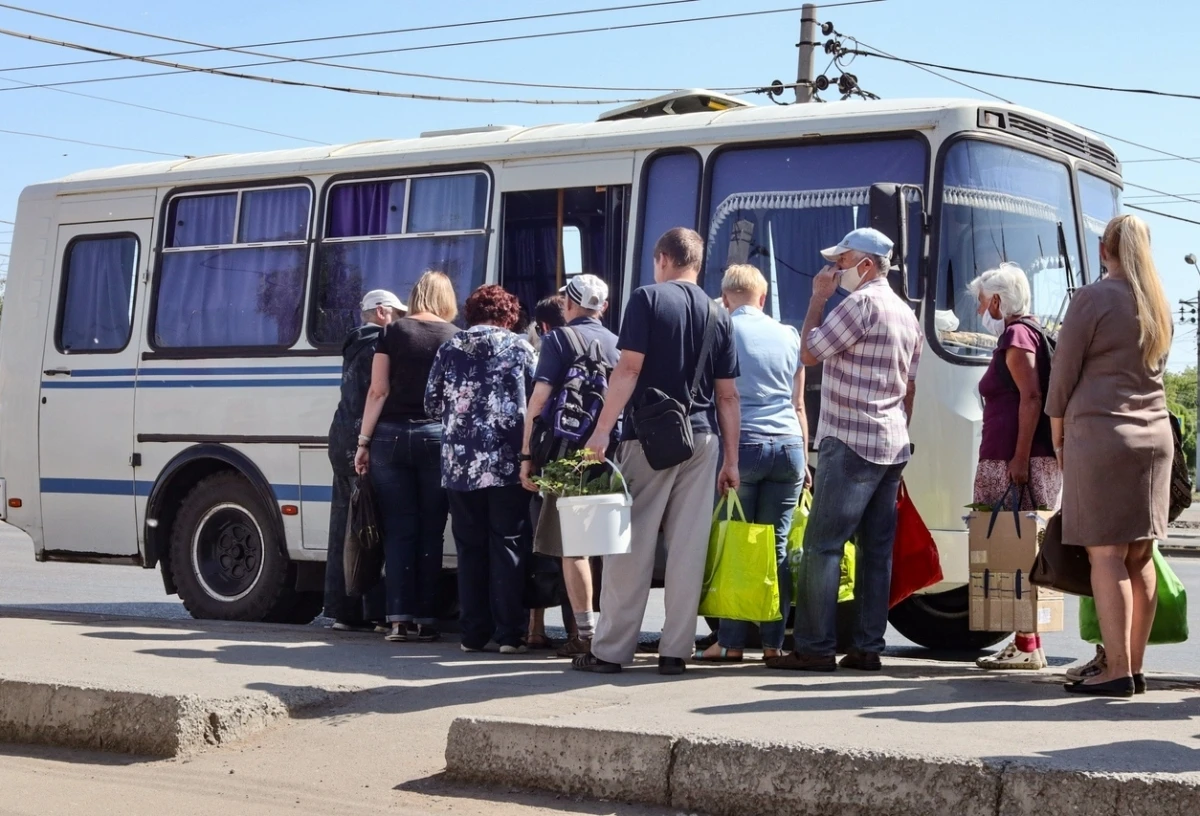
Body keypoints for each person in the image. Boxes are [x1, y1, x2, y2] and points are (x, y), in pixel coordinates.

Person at [575, 227, 741, 677]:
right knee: (689, 548)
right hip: (703, 439)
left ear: (662, 258)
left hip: (649, 437)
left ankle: (610, 651)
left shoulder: (647, 299)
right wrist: (732, 460)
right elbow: (728, 395)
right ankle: (675, 651)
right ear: (698, 265)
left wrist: (601, 432)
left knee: (631, 545)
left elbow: (628, 369)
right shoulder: (719, 313)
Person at [768, 227, 922, 673]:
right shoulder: (906, 315)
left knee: (823, 546)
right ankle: (868, 646)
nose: (835, 270)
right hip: (891, 442)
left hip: (850, 437)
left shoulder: (861, 304)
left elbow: (811, 352)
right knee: (876, 551)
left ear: (867, 265)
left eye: (842, 261)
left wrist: (818, 298)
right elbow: (910, 388)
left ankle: (815, 647)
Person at [1048, 214, 1173, 698]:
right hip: (1155, 439)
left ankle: (1115, 669)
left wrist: (1058, 437)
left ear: (1106, 248)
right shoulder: (1157, 302)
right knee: (1141, 556)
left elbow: (1062, 375)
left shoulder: (1093, 297)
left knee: (1106, 555)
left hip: (1102, 435)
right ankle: (1135, 668)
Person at [694, 265, 808, 663]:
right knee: (775, 547)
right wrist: (804, 459)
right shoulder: (789, 335)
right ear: (763, 297)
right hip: (790, 446)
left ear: (725, 299)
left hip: (742, 446)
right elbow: (798, 403)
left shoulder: (719, 329)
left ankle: (730, 642)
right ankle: (775, 643)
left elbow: (716, 395)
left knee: (735, 543)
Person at [426, 284, 537, 655]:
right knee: (508, 544)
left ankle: (472, 633)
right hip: (509, 462)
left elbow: (431, 402)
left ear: (471, 312)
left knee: (469, 547)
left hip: (459, 464)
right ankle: (509, 634)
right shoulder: (520, 348)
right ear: (508, 314)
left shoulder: (450, 347)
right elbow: (538, 399)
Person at [519, 275, 621, 658]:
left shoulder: (558, 339)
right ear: (604, 307)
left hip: (568, 453)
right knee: (606, 547)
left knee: (573, 549)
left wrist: (527, 455)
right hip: (611, 455)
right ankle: (611, 627)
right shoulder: (618, 343)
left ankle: (586, 634)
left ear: (568, 304)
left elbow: (539, 401)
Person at [354, 273, 459, 643]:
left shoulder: (393, 332)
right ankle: (427, 620)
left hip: (391, 437)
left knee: (399, 530)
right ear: (447, 298)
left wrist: (363, 441)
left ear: (416, 296)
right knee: (432, 530)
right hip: (438, 438)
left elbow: (378, 391)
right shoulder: (454, 336)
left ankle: (398, 619)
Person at [965, 263, 1059, 670]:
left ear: (998, 301)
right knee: (1024, 552)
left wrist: (1018, 458)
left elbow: (1032, 397)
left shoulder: (1017, 335)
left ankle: (1025, 645)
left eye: (982, 301)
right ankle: (1027, 644)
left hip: (1014, 459)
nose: (980, 309)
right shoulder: (1033, 332)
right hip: (1019, 457)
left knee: (1012, 551)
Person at [324, 289, 405, 632]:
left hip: (341, 434)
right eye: (398, 314)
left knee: (346, 522)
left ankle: (344, 608)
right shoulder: (380, 344)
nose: (401, 320)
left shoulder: (354, 343)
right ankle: (374, 608)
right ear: (383, 312)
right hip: (363, 439)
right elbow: (379, 391)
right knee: (373, 525)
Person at [525, 292, 569, 650]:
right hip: (583, 456)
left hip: (546, 458)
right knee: (580, 547)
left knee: (540, 546)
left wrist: (527, 457)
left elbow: (534, 407)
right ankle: (579, 629)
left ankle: (535, 627)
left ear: (541, 326)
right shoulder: (597, 345)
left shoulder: (543, 353)